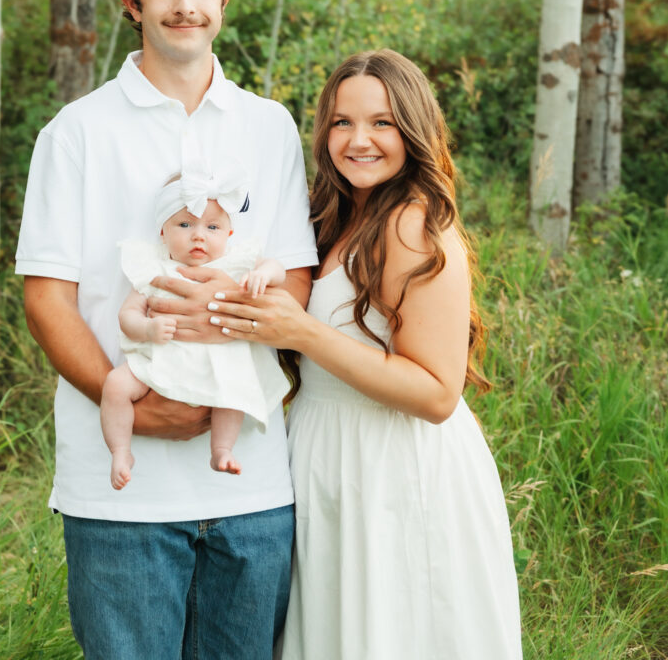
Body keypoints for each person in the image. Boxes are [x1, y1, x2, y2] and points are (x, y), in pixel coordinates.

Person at [15, 0, 318, 660]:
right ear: (132, 2)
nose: (185, 4)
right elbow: (46, 299)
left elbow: (295, 278)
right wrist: (137, 409)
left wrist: (224, 341)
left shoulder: (269, 126)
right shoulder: (76, 132)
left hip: (251, 482)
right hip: (120, 493)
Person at [208, 49, 523, 660]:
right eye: (342, 122)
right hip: (329, 457)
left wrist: (303, 333)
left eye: (382, 123)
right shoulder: (334, 218)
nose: (359, 140)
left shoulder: (414, 226)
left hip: (393, 466)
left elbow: (437, 394)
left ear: (414, 130)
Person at [101, 168, 288, 488]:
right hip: (160, 358)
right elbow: (127, 314)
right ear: (163, 231)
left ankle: (222, 449)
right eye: (185, 225)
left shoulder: (236, 264)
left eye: (212, 227)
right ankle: (120, 451)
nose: (199, 236)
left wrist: (264, 275)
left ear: (229, 234)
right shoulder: (154, 268)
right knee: (115, 385)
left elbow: (277, 268)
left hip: (219, 362)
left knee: (232, 393)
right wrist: (147, 328)